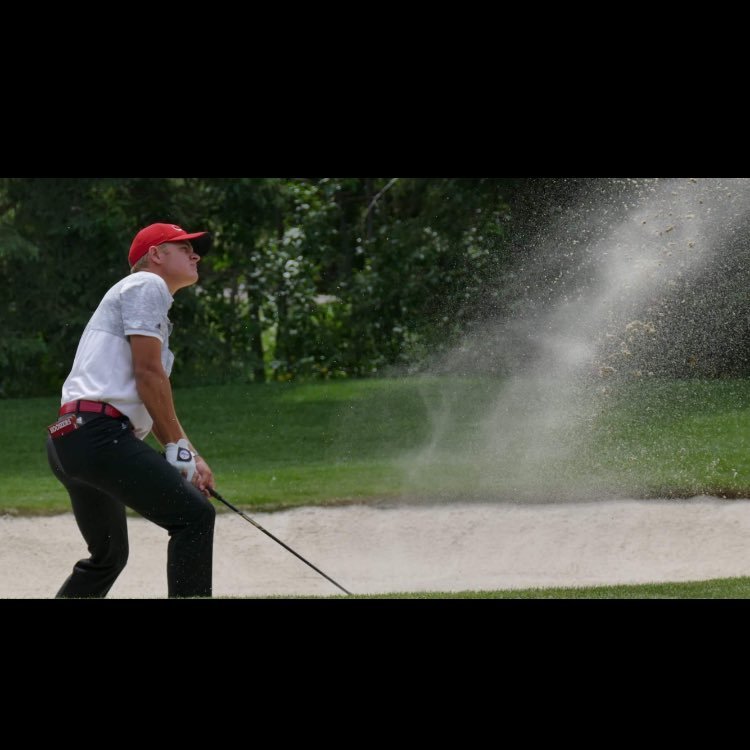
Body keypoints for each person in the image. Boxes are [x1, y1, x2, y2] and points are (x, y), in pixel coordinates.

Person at [45, 222, 217, 598]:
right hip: (97, 435)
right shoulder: (146, 285)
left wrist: (188, 452)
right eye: (183, 247)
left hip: (69, 437)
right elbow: (148, 374)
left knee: (108, 556)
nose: (195, 254)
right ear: (155, 255)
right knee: (194, 517)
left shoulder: (143, 299)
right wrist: (179, 447)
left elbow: (148, 393)